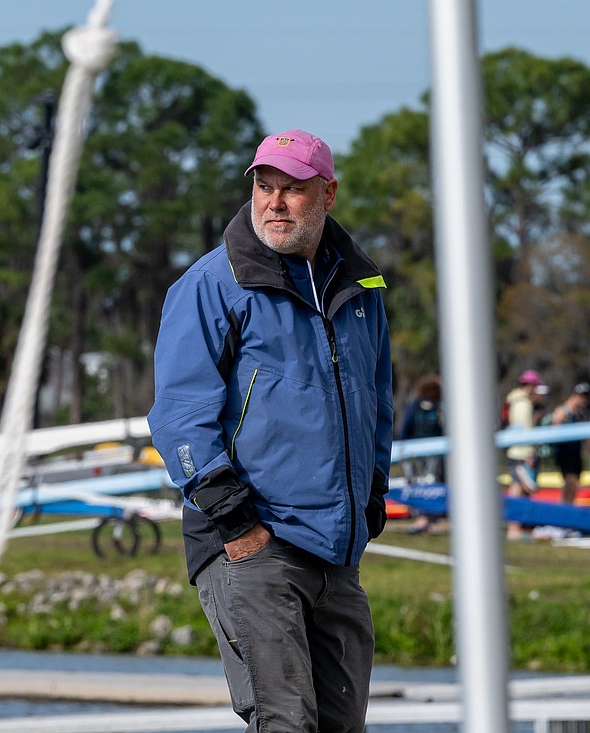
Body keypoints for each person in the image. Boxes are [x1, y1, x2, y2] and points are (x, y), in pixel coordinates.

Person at [148, 128, 393, 733]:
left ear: (328, 194)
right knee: (285, 723)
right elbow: (178, 416)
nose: (275, 203)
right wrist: (235, 522)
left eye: (293, 189)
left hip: (338, 553)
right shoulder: (211, 285)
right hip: (253, 543)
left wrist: (372, 498)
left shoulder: (362, 289)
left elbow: (377, 400)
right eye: (265, 187)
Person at [398, 373, 445, 534]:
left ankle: (424, 517)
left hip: (416, 451)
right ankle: (426, 517)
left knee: (419, 484)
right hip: (432, 451)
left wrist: (401, 448)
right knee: (431, 484)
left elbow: (405, 429)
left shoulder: (415, 406)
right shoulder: (440, 407)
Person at [547, 382, 590, 505]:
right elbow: (553, 431)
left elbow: (586, 437)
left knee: (575, 484)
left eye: (587, 397)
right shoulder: (562, 411)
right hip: (564, 453)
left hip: (576, 453)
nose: (585, 400)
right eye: (582, 396)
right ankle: (563, 509)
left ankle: (568, 508)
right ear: (574, 395)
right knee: (570, 481)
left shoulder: (581, 414)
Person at [504, 369, 544, 540]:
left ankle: (521, 527)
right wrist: (529, 452)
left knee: (522, 489)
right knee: (518, 489)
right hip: (521, 452)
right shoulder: (523, 404)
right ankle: (514, 528)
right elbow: (525, 430)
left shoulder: (514, 401)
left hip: (516, 450)